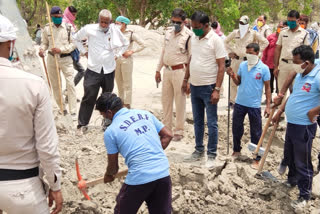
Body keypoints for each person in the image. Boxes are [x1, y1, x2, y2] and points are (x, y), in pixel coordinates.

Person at [0, 14, 62, 214]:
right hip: (23, 187)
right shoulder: (33, 84)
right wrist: (55, 185)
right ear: (11, 43)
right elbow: (47, 147)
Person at [96, 92, 173, 214]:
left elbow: (113, 166)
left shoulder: (111, 132)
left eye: (103, 115)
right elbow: (168, 135)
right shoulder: (145, 114)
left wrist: (109, 175)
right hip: (163, 173)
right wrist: (152, 153)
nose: (105, 119)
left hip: (139, 177)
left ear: (109, 113)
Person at [272, 45, 320, 209]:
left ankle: (304, 196)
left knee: (303, 161)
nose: (293, 65)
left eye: (296, 62)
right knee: (290, 154)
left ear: (306, 62)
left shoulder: (317, 77)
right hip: (292, 123)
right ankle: (291, 180)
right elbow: (295, 95)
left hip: (305, 127)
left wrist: (313, 112)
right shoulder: (301, 74)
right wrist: (280, 111)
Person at [181, 11, 226, 168]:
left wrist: (217, 89)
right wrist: (186, 79)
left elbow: (221, 66)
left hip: (209, 87)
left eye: (197, 27)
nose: (194, 29)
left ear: (206, 25)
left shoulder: (216, 40)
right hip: (195, 85)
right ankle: (198, 150)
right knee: (198, 121)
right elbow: (191, 59)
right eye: (192, 26)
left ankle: (212, 154)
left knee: (212, 122)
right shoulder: (194, 38)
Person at [73, 9, 129, 133]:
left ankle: (107, 125)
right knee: (89, 97)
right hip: (93, 69)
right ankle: (82, 124)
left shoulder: (114, 30)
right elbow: (76, 38)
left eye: (106, 23)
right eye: (102, 22)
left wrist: (118, 54)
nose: (104, 25)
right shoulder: (89, 29)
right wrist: (84, 51)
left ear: (110, 22)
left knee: (107, 98)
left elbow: (125, 43)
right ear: (99, 20)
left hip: (109, 70)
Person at [226, 43, 271, 167]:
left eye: (251, 53)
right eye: (247, 53)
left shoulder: (264, 68)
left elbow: (268, 88)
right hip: (240, 102)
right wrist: (232, 75)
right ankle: (236, 150)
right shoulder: (242, 65)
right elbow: (238, 82)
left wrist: (268, 105)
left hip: (254, 105)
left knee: (256, 132)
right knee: (236, 128)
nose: (249, 55)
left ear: (257, 53)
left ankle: (256, 157)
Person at [155, 8, 193, 142]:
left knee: (180, 101)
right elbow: (163, 52)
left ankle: (179, 130)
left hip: (180, 72)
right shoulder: (168, 33)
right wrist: (158, 70)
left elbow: (190, 58)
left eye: (178, 22)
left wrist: (188, 79)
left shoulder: (189, 36)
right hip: (167, 70)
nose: (175, 24)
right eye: (173, 21)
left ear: (184, 21)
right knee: (166, 101)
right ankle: (167, 129)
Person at [39, 6, 77, 119]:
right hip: (51, 59)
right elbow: (44, 43)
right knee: (56, 85)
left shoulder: (69, 28)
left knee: (70, 84)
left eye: (60, 17)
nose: (58, 19)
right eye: (56, 17)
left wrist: (61, 49)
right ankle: (62, 108)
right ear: (51, 17)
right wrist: (42, 49)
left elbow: (73, 44)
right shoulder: (47, 28)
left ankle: (73, 110)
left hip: (66, 59)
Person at [225, 15, 269, 106]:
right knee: (233, 81)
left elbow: (265, 42)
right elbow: (225, 41)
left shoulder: (253, 33)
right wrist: (230, 51)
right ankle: (232, 101)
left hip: (248, 61)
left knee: (246, 81)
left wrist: (257, 52)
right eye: (240, 23)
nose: (242, 25)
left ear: (247, 23)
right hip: (236, 59)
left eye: (244, 23)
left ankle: (245, 101)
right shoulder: (235, 32)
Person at [273, 10, 309, 109]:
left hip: (297, 66)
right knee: (281, 91)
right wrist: (276, 66)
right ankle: (280, 116)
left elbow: (307, 52)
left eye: (292, 21)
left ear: (298, 20)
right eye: (288, 21)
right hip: (283, 65)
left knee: (297, 90)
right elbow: (277, 49)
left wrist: (304, 68)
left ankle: (296, 113)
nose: (290, 23)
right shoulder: (283, 32)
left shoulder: (304, 33)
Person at [115, 15, 146, 109]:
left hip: (126, 61)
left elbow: (143, 44)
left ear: (124, 24)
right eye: (115, 23)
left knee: (127, 82)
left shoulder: (130, 34)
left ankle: (127, 103)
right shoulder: (114, 33)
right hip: (116, 60)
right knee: (118, 82)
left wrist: (132, 51)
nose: (116, 25)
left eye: (118, 23)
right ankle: (120, 102)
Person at [63, 6, 86, 87]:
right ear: (68, 14)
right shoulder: (64, 23)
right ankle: (68, 93)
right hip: (68, 53)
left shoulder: (71, 24)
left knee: (71, 75)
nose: (74, 17)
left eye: (75, 15)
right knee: (81, 71)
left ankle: (68, 95)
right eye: (73, 14)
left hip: (73, 51)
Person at [262, 21, 285, 95]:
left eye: (282, 27)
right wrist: (263, 62)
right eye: (279, 27)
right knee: (268, 81)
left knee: (280, 82)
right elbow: (265, 50)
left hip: (280, 64)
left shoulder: (285, 37)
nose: (280, 29)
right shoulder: (270, 37)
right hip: (269, 63)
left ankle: (279, 98)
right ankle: (269, 98)